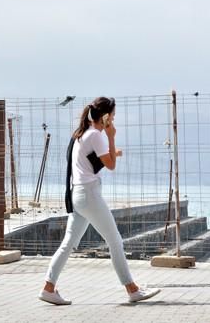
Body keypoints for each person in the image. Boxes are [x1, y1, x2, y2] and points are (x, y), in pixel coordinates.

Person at [38, 97, 161, 305]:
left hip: (78, 195)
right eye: (112, 115)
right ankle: (132, 289)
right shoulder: (97, 135)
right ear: (105, 117)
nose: (113, 119)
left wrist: (113, 150)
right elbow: (110, 165)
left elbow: (93, 162)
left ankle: (48, 288)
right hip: (90, 195)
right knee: (115, 241)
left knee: (68, 243)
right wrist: (111, 137)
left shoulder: (82, 134)